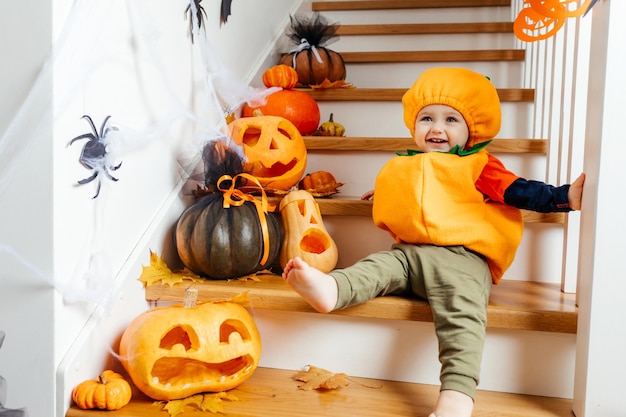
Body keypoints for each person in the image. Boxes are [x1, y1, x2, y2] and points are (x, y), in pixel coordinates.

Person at [282, 67, 585, 417]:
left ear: (472, 130)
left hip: (464, 259)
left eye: (450, 119)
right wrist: (382, 191)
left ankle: (457, 394)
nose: (436, 128)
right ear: (414, 125)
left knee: (462, 316)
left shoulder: (479, 165)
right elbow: (417, 194)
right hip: (410, 254)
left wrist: (564, 197)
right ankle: (333, 289)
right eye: (426, 118)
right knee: (376, 266)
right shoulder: (406, 164)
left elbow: (521, 191)